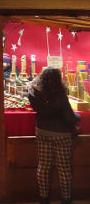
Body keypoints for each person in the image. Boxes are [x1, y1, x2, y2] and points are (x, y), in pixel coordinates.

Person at [28, 67, 81, 204]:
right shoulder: (60, 96)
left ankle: (43, 198)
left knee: (43, 167)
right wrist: (77, 117)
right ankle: (66, 199)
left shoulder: (34, 94)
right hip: (61, 135)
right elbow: (69, 117)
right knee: (64, 169)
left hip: (43, 131)